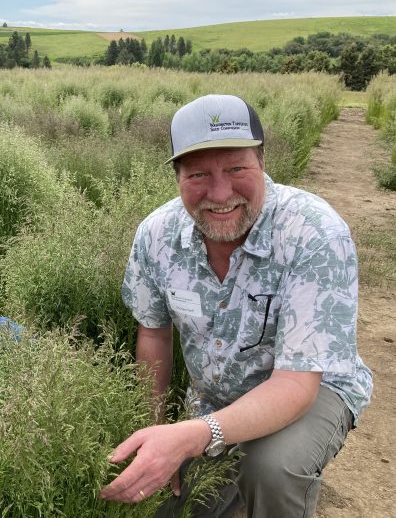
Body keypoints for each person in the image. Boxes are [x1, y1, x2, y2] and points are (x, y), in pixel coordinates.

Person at [100, 94, 373, 517]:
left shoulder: (314, 233)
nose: (220, 192)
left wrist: (195, 434)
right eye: (198, 174)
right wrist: (154, 429)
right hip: (213, 396)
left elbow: (297, 385)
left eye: (236, 168)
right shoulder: (156, 236)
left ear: (262, 163)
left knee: (272, 467)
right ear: (177, 176)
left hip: (311, 384)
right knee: (169, 500)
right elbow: (154, 332)